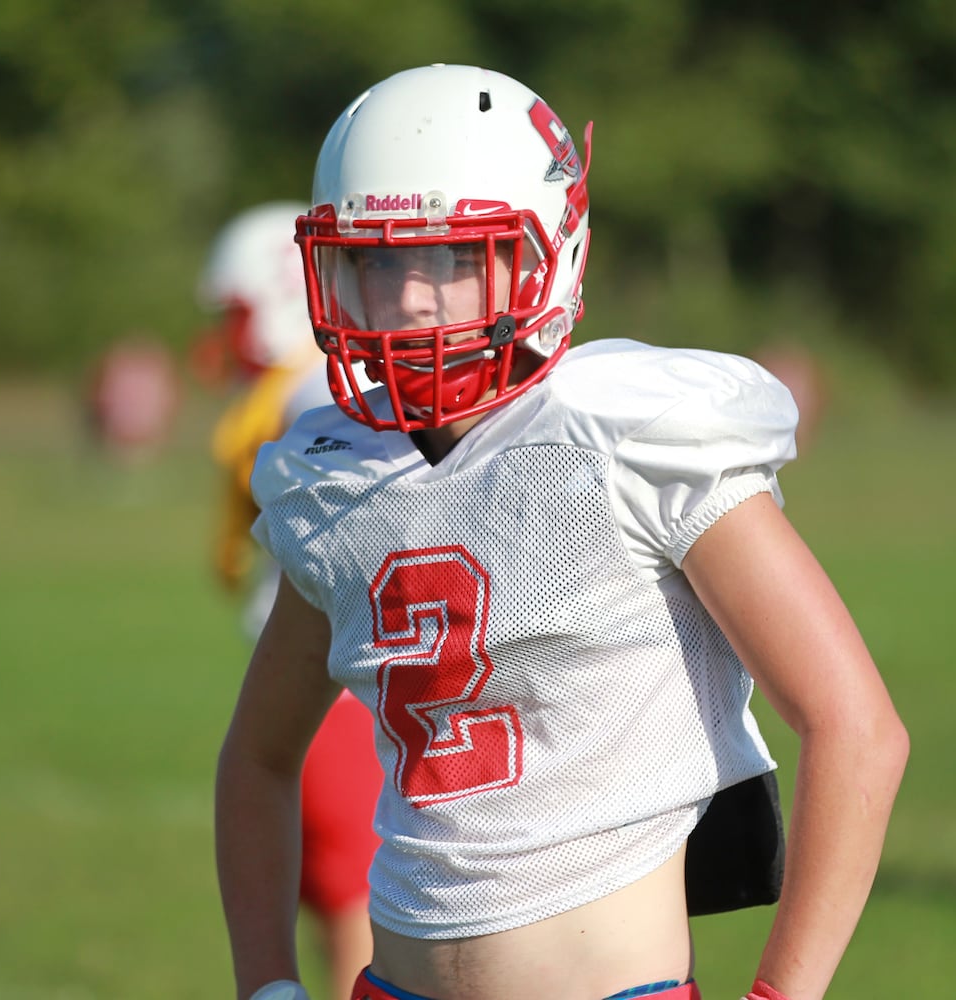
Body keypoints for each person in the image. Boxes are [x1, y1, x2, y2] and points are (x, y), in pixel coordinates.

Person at [214, 64, 909, 1000]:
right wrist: (266, 983)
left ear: (552, 253)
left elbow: (857, 729)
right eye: (378, 260)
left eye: (454, 259)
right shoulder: (339, 471)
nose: (412, 298)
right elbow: (259, 756)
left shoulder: (629, 435)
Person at [198, 202, 381, 1000]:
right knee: (321, 883)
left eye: (238, 311)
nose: (229, 332)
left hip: (345, 677)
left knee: (352, 895)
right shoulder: (294, 391)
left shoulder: (315, 395)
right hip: (314, 663)